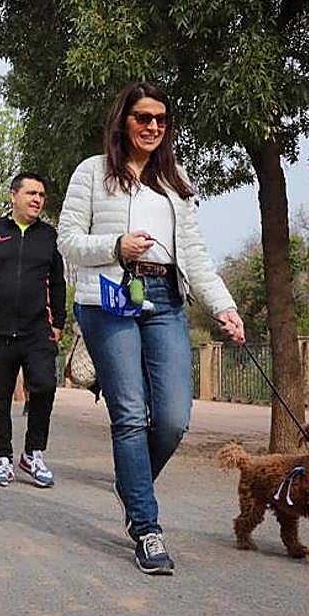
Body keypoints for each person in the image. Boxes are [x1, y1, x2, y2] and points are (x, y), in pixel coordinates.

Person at [58, 81, 245, 575]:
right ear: (123, 121)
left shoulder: (174, 180)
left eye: (161, 119)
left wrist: (224, 307)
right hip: (109, 299)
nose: (153, 126)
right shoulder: (92, 172)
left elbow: (196, 255)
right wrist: (115, 246)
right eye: (143, 117)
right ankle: (146, 527)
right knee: (129, 414)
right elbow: (68, 240)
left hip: (164, 298)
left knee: (173, 418)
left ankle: (131, 484)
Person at [0, 172, 65, 489]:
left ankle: (33, 453)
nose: (37, 199)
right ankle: (3, 459)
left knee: (45, 386)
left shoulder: (48, 236)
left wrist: (58, 322)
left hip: (37, 331)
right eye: (31, 193)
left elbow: (58, 282)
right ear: (14, 195)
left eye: (41, 195)